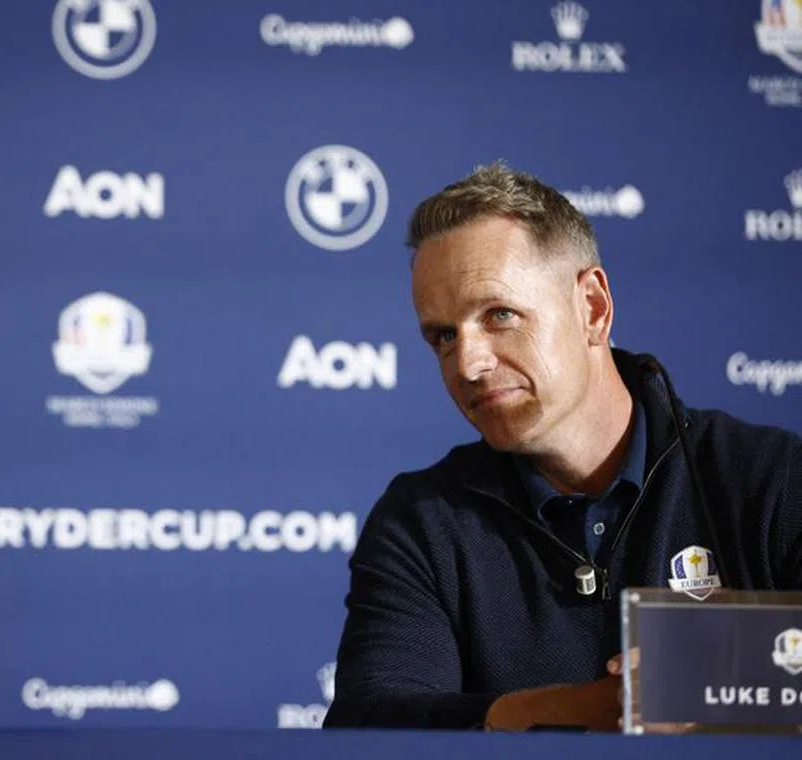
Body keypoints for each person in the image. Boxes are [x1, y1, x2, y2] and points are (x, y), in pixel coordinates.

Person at [322, 162, 802, 730]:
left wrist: (746, 678)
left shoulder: (771, 478)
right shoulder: (422, 520)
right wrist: (576, 712)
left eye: (499, 314)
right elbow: (370, 719)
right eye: (444, 336)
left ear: (592, 308)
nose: (467, 363)